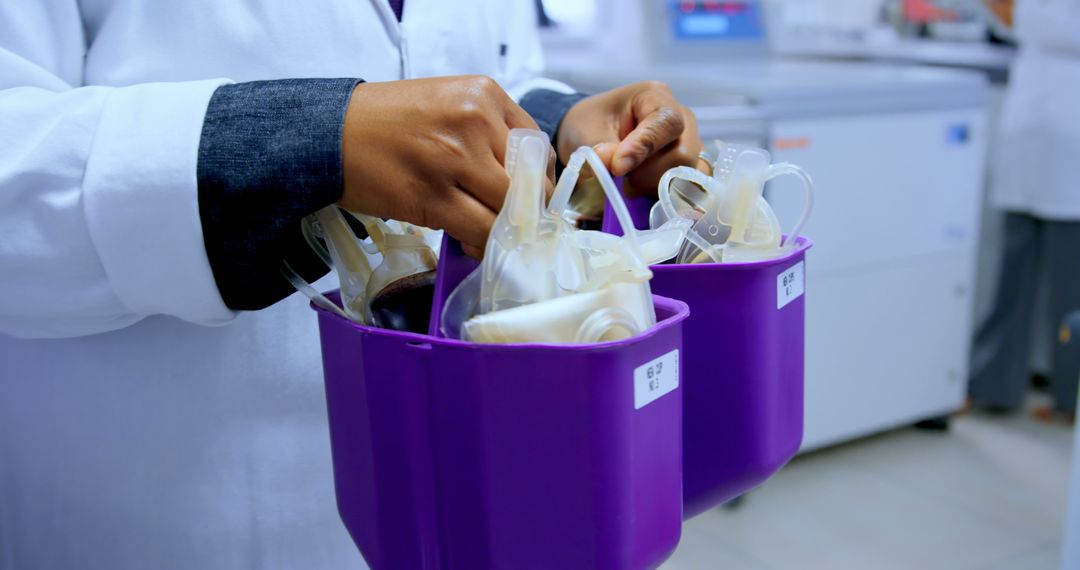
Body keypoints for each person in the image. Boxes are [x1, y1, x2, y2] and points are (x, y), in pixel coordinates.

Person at [0, 1, 704, 568]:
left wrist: (555, 129)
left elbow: (488, 68)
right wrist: (305, 141)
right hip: (179, 508)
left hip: (470, 490)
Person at [969, 0, 1080, 422]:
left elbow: (1047, 24)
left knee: (1071, 283)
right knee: (1012, 271)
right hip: (1031, 122)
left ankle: (1071, 398)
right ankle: (992, 387)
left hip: (1072, 133)